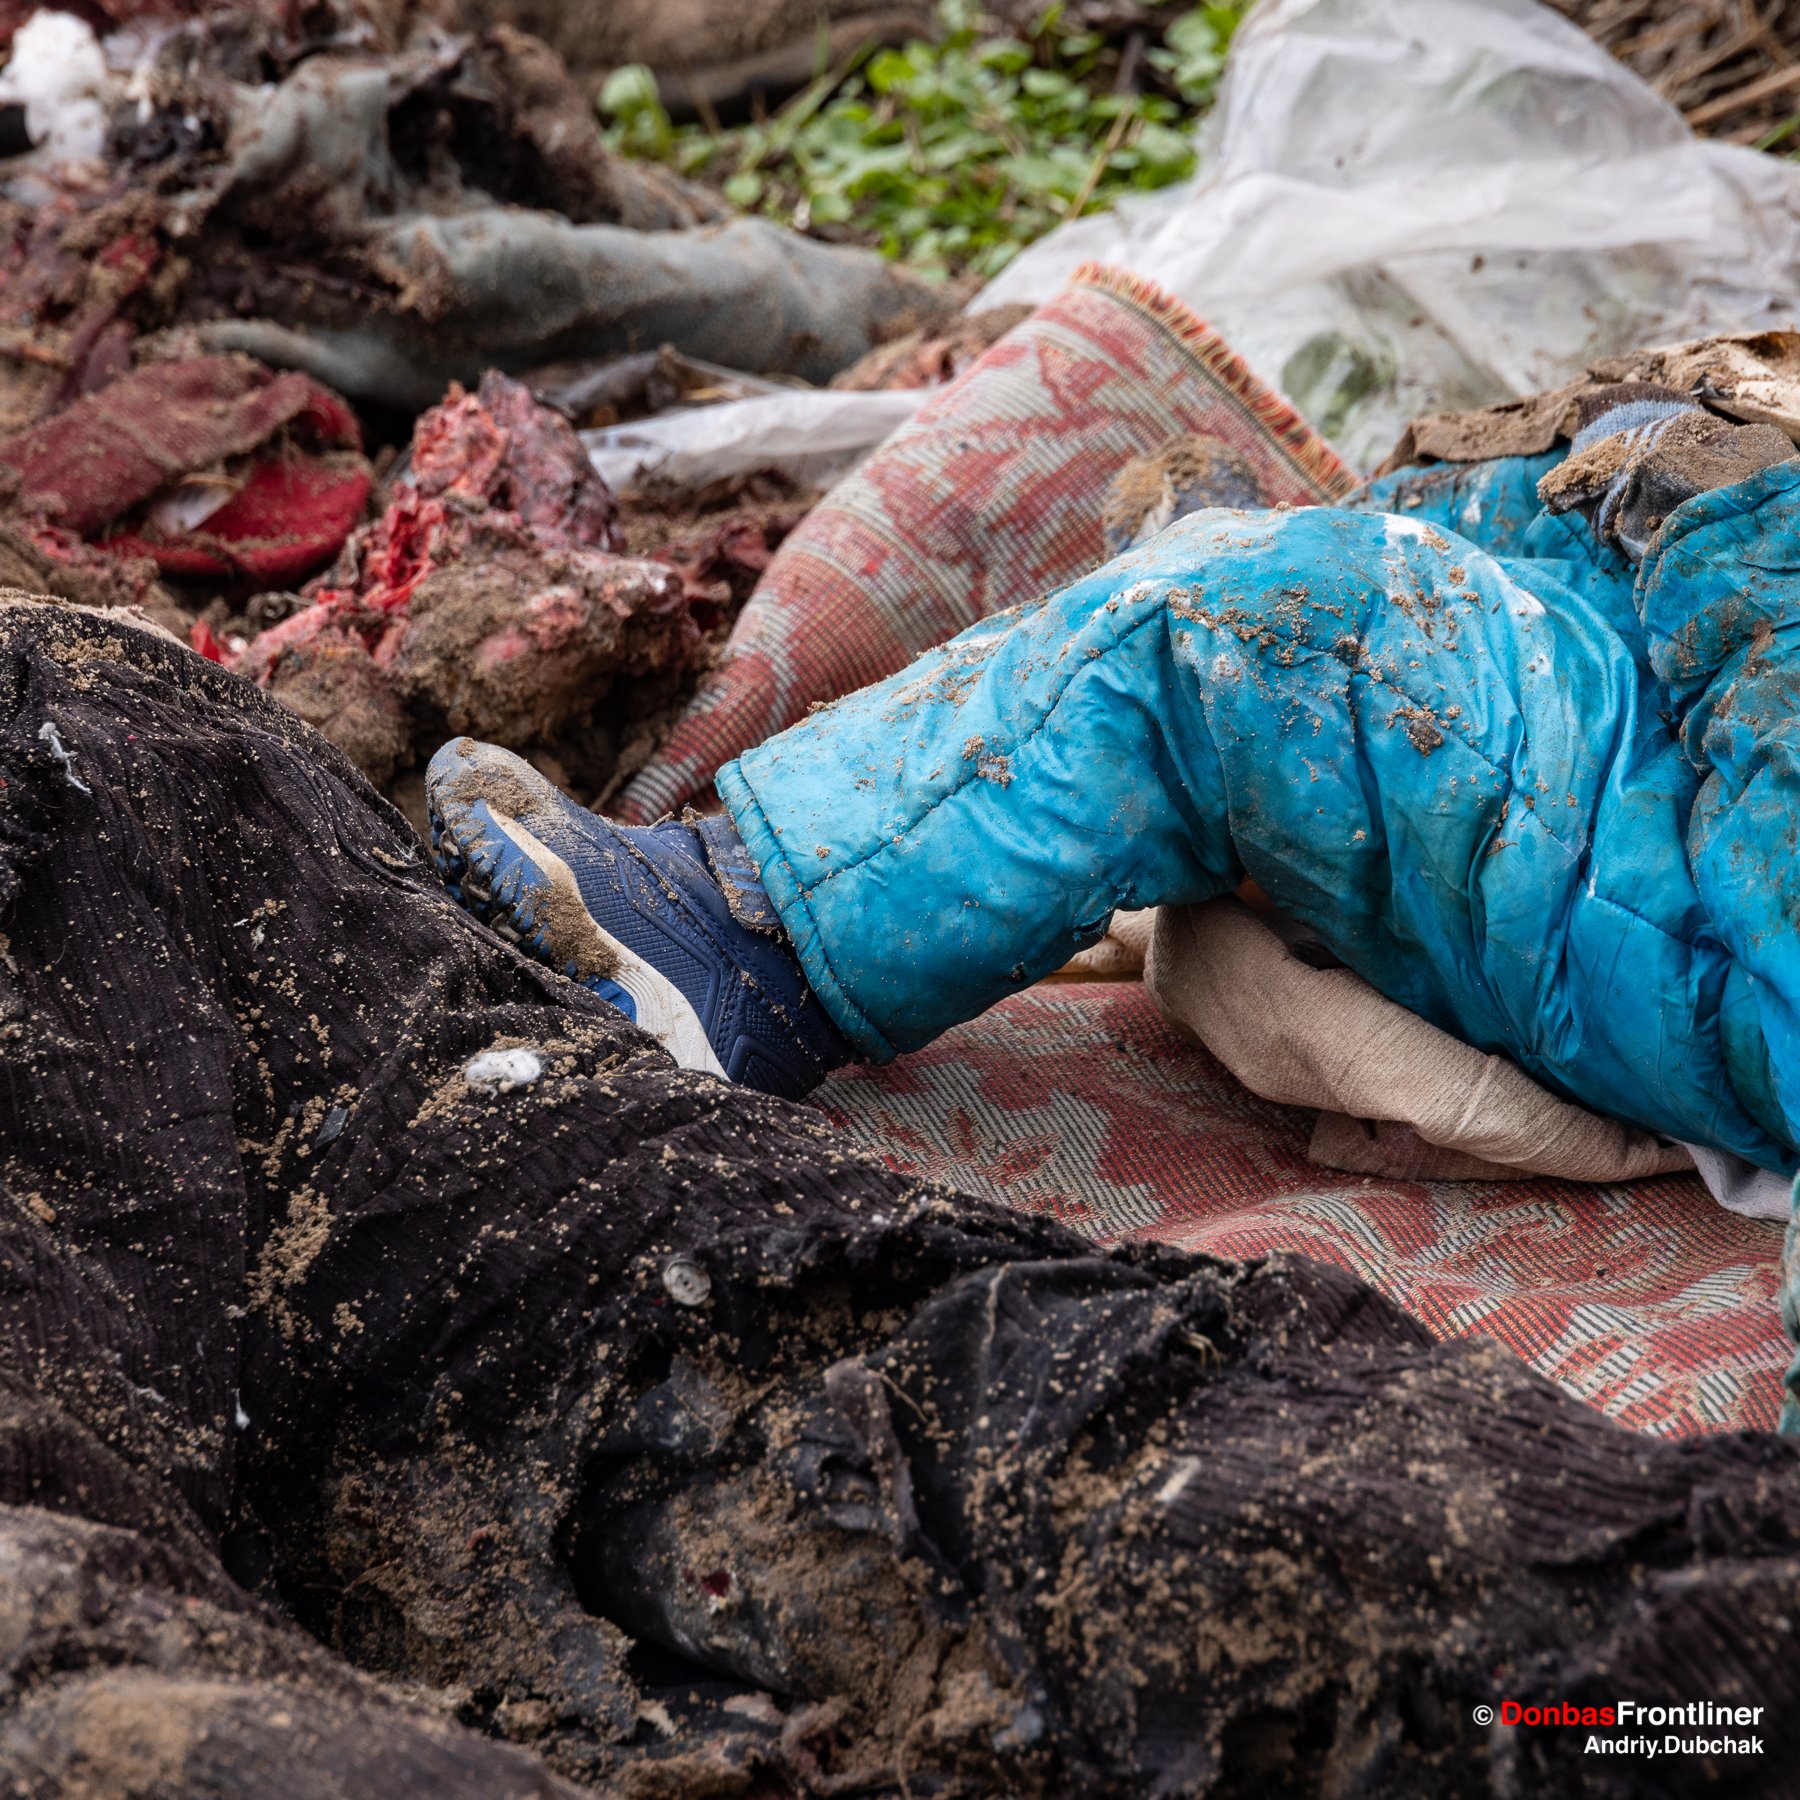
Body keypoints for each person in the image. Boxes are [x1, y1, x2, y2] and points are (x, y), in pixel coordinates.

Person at [428, 385, 1800, 1186]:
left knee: (1252, 636)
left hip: (1721, 907)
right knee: (1498, 513)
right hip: (1714, 789)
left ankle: (735, 966)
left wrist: (1730, 535)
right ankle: (1235, 599)